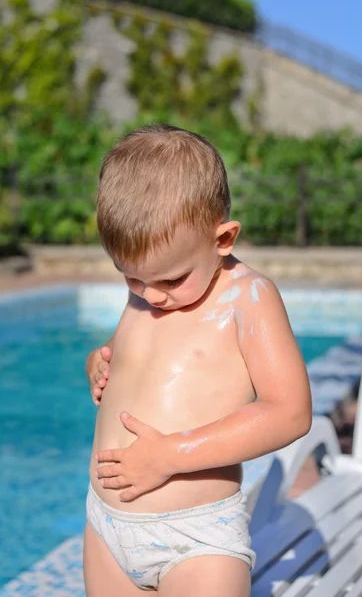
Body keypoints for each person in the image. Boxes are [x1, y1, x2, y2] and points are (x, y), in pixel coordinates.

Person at [84, 123, 312, 597]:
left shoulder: (248, 297)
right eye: (130, 279)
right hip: (105, 526)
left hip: (195, 541)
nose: (151, 296)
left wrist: (171, 454)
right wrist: (102, 362)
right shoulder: (151, 288)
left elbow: (289, 412)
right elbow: (134, 354)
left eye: (170, 280)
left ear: (223, 238)